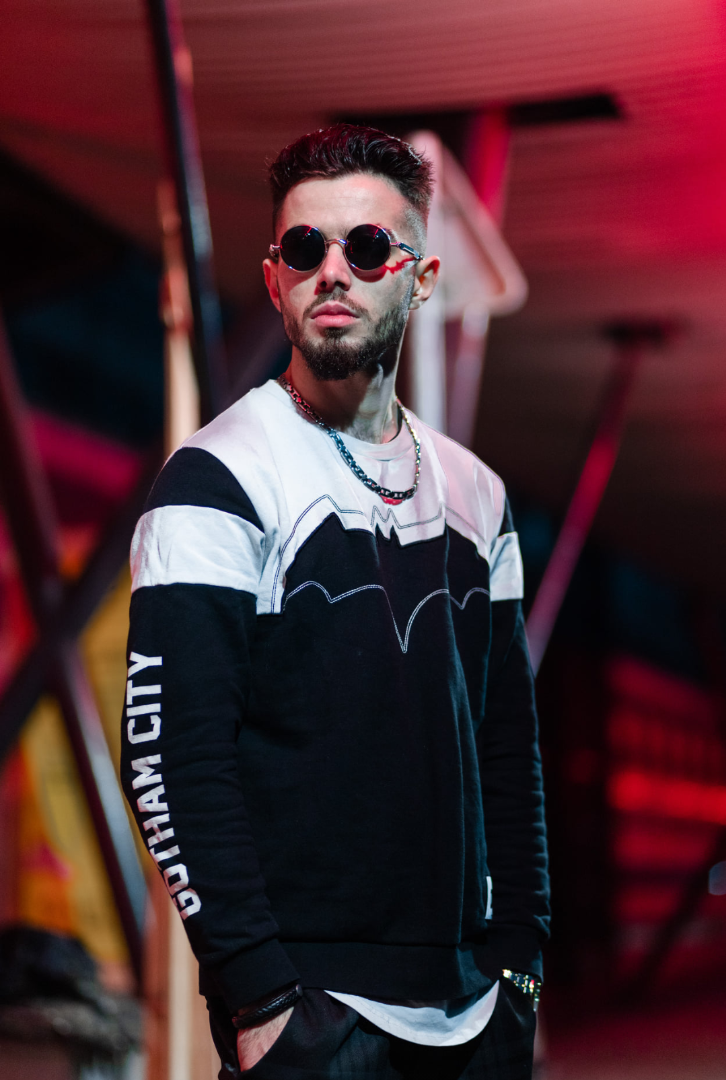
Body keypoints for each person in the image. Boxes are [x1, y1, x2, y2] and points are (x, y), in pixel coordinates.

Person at [121, 124, 549, 1079]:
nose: (332, 272)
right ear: (274, 278)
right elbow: (168, 756)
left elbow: (509, 748)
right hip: (315, 1019)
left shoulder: (478, 497)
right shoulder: (217, 478)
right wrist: (259, 996)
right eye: (305, 247)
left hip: (475, 1008)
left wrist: (522, 963)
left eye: (365, 247)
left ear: (421, 278)